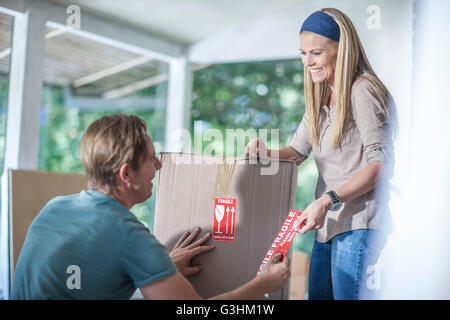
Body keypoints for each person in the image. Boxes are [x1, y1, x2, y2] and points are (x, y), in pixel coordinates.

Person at [11, 113, 289, 300]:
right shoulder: (129, 235)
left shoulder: (55, 207)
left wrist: (160, 266)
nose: (159, 165)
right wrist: (263, 284)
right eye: (151, 158)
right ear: (126, 174)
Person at [246, 8, 396, 300]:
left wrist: (328, 200)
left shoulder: (361, 91)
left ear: (342, 49)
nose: (307, 62)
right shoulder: (320, 96)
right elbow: (297, 151)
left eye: (316, 53)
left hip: (358, 225)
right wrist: (266, 152)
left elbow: (383, 165)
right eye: (303, 53)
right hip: (327, 226)